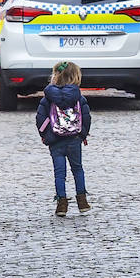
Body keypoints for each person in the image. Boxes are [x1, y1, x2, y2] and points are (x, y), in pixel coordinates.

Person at [35, 61, 93, 217]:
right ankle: (82, 202)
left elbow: (41, 118)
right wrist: (82, 135)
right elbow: (86, 117)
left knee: (59, 173)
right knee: (78, 169)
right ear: (75, 77)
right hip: (74, 139)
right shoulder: (78, 97)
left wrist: (45, 136)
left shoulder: (48, 97)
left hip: (55, 141)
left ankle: (62, 204)